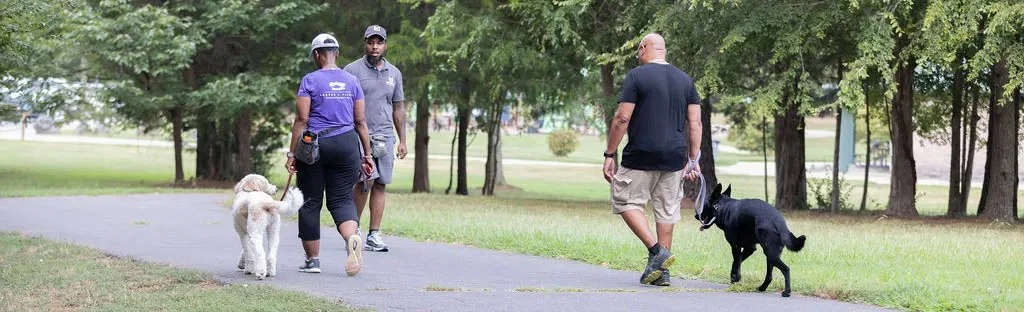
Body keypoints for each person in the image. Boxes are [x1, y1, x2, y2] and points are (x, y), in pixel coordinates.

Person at [602, 33, 703, 286]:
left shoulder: (637, 76)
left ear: (645, 48)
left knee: (624, 200)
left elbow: (622, 118)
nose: (638, 55)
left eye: (639, 50)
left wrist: (610, 153)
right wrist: (693, 159)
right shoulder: (686, 80)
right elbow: (695, 122)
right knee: (666, 210)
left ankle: (657, 252)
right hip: (674, 156)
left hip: (641, 154)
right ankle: (661, 274)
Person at [286, 33, 375, 276]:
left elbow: (302, 119)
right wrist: (367, 155)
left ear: (316, 55)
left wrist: (292, 153)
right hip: (347, 144)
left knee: (311, 201)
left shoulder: (310, 80)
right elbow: (360, 121)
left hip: (314, 144)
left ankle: (313, 260)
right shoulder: (352, 81)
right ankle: (352, 238)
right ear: (337, 53)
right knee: (342, 200)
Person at [343, 24, 406, 252]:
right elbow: (343, 105)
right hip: (359, 135)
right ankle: (353, 231)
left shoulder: (394, 73)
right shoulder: (351, 70)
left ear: (385, 44)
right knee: (364, 182)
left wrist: (403, 140)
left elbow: (398, 108)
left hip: (385, 136)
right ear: (365, 44)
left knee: (380, 184)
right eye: (371, 42)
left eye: (379, 42)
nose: (374, 46)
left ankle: (374, 234)